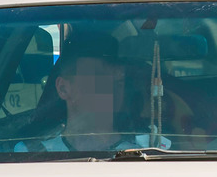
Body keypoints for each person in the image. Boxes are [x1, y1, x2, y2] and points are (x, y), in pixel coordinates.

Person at [14, 35, 168, 153]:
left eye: (119, 78)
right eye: (99, 76)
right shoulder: (29, 155)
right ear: (63, 89)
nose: (112, 85)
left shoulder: (152, 155)